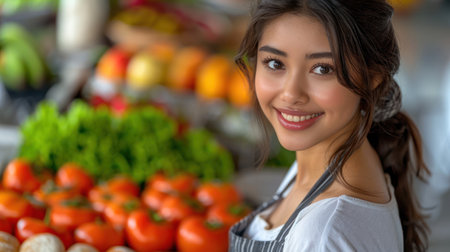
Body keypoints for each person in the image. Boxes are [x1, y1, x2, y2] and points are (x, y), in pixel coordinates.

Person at [229, 0, 430, 251]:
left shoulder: (324, 234)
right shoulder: (322, 160)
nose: (291, 93)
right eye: (275, 63)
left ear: (372, 79)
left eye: (322, 69)